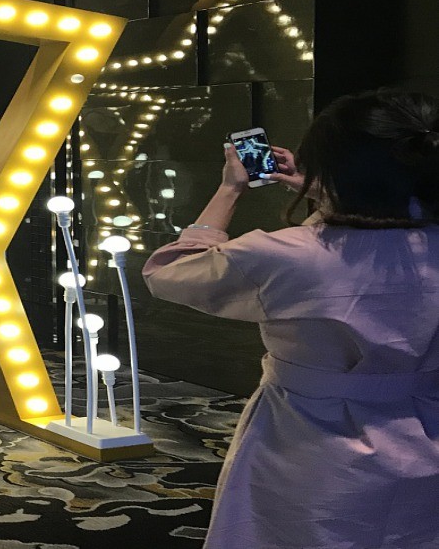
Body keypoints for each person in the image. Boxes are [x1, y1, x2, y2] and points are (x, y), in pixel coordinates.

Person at [143, 89, 439, 549]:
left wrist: (230, 188)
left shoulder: (283, 254)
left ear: (329, 165)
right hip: (426, 432)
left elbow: (170, 274)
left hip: (308, 438)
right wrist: (332, 192)